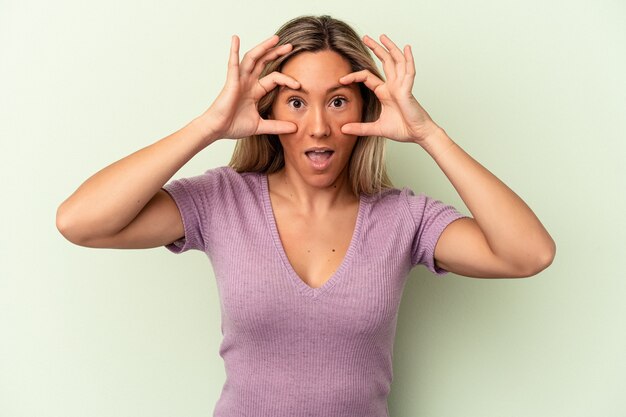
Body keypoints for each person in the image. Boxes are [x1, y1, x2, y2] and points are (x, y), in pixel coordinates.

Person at [56, 14, 555, 417]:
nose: (317, 126)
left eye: (337, 101)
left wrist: (430, 135)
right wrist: (210, 125)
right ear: (269, 111)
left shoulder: (405, 217)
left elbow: (528, 254)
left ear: (367, 108)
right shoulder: (222, 201)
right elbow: (80, 222)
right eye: (296, 102)